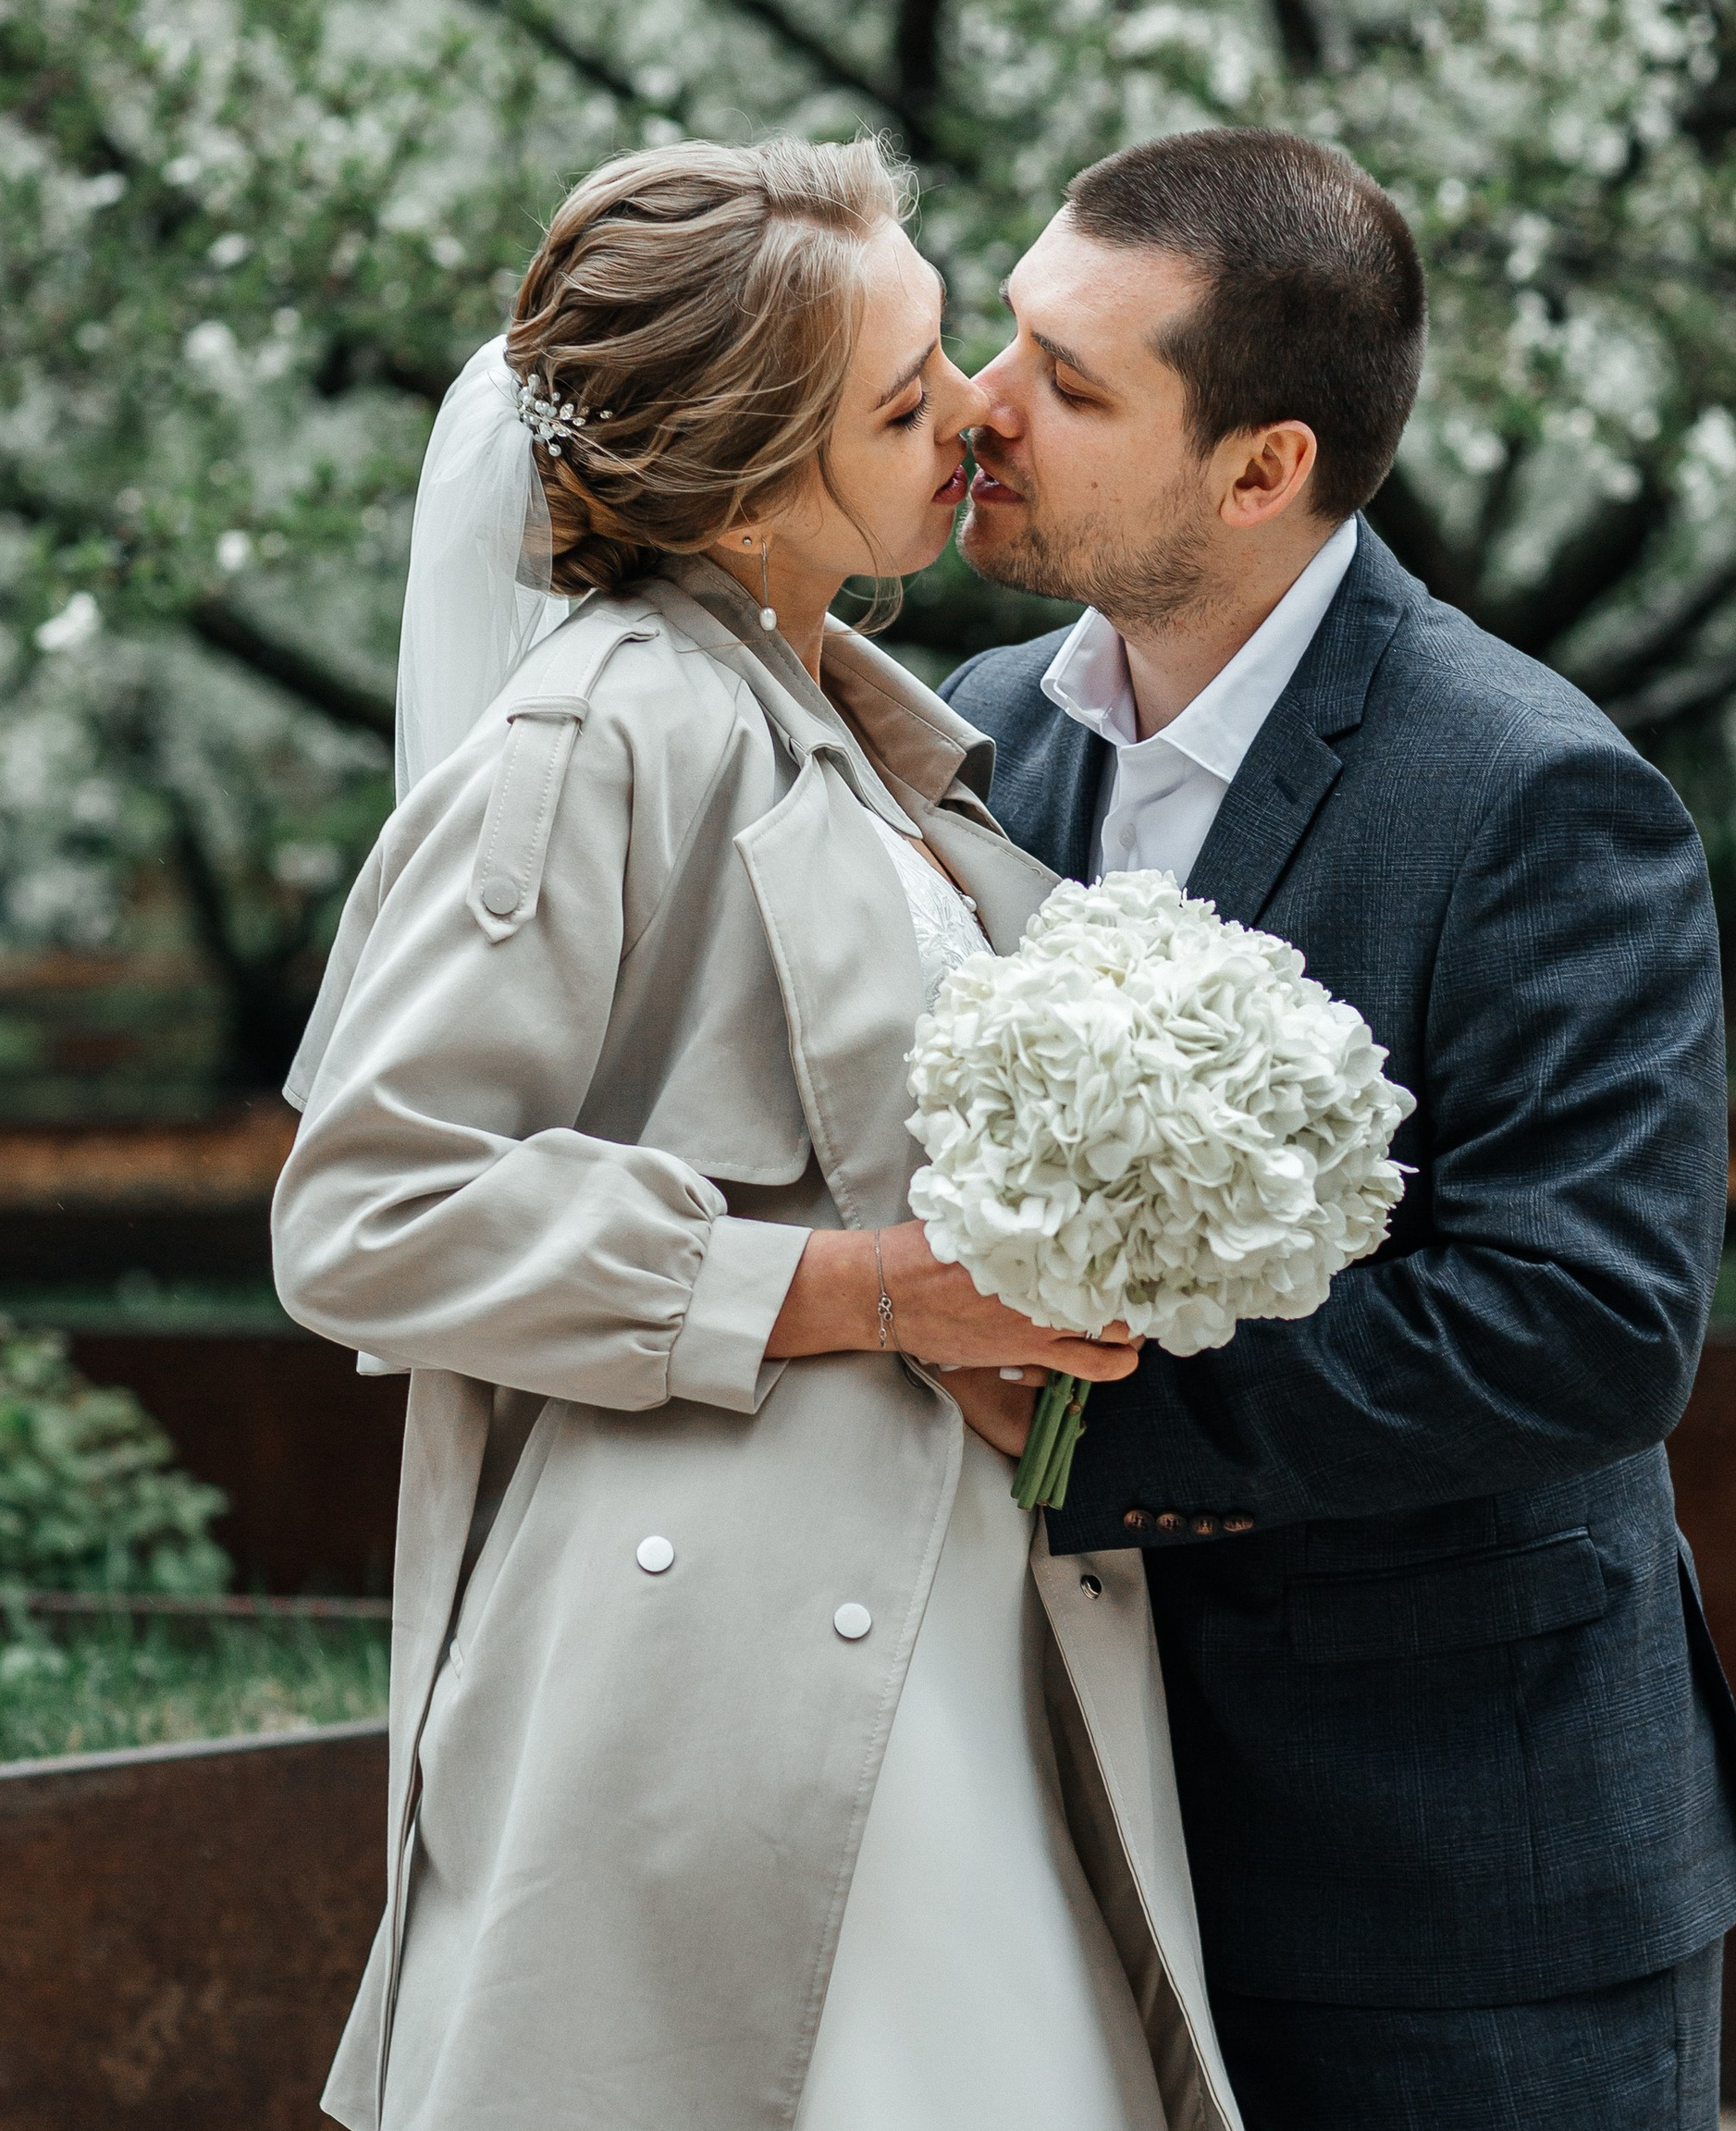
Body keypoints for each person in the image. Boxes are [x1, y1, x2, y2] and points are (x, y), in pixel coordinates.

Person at [271, 138, 1242, 2131]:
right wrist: (859, 1289)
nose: (973, 405)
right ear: (738, 477)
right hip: (714, 1673)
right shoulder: (596, 729)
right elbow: (364, 1211)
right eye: (903, 400)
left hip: (965, 1636)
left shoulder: (868, 727)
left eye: (945, 346)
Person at [942, 126, 1736, 2131]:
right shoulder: (987, 715)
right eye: (1011, 338)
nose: (983, 410)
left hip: (1455, 1867)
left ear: (1262, 469)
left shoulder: (1532, 794)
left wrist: (1092, 1428)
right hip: (1059, 1831)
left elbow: (1584, 1318)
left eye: (1072, 385)